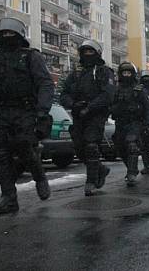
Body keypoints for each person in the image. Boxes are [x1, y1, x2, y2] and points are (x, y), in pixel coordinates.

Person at [0, 18, 54, 213]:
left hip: (26, 110)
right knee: (2, 154)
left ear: (20, 35)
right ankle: (8, 197)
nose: (7, 37)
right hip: (3, 111)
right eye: (3, 34)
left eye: (10, 33)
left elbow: (45, 84)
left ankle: (39, 176)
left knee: (25, 147)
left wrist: (42, 111)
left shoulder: (31, 57)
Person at [59, 39, 116, 196]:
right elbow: (63, 94)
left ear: (97, 54)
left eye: (90, 51)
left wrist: (90, 107)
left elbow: (108, 95)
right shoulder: (76, 73)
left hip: (96, 116)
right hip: (78, 115)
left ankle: (90, 181)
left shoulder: (104, 72)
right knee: (79, 147)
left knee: (91, 146)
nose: (87, 54)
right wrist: (74, 104)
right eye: (85, 52)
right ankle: (101, 169)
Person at [111, 62, 149, 186]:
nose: (126, 75)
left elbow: (148, 107)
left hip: (134, 122)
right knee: (120, 147)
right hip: (120, 122)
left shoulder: (139, 89)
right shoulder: (116, 89)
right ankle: (131, 168)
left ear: (133, 74)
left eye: (128, 73)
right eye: (124, 73)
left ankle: (131, 173)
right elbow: (110, 104)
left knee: (132, 145)